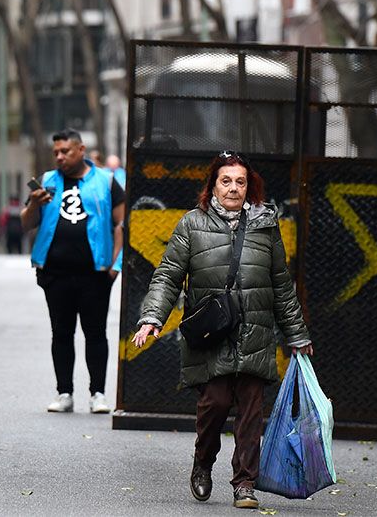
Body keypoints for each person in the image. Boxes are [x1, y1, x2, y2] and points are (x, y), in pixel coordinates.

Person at [131, 151, 313, 509]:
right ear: (213, 185)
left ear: (250, 186)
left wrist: (297, 334)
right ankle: (203, 462)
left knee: (250, 410)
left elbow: (281, 283)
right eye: (226, 181)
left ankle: (245, 483)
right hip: (212, 335)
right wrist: (152, 317)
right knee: (214, 403)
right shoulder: (191, 225)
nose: (233, 188)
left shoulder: (265, 224)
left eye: (240, 182)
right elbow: (168, 276)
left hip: (256, 331)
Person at [22, 129, 125, 415]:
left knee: (95, 333)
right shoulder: (46, 181)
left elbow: (121, 224)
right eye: (56, 152)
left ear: (81, 150)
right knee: (61, 333)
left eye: (65, 151)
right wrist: (33, 203)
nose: (59, 157)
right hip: (55, 273)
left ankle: (98, 394)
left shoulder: (106, 181)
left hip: (95, 273)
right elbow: (26, 224)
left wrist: (115, 266)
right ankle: (64, 392)